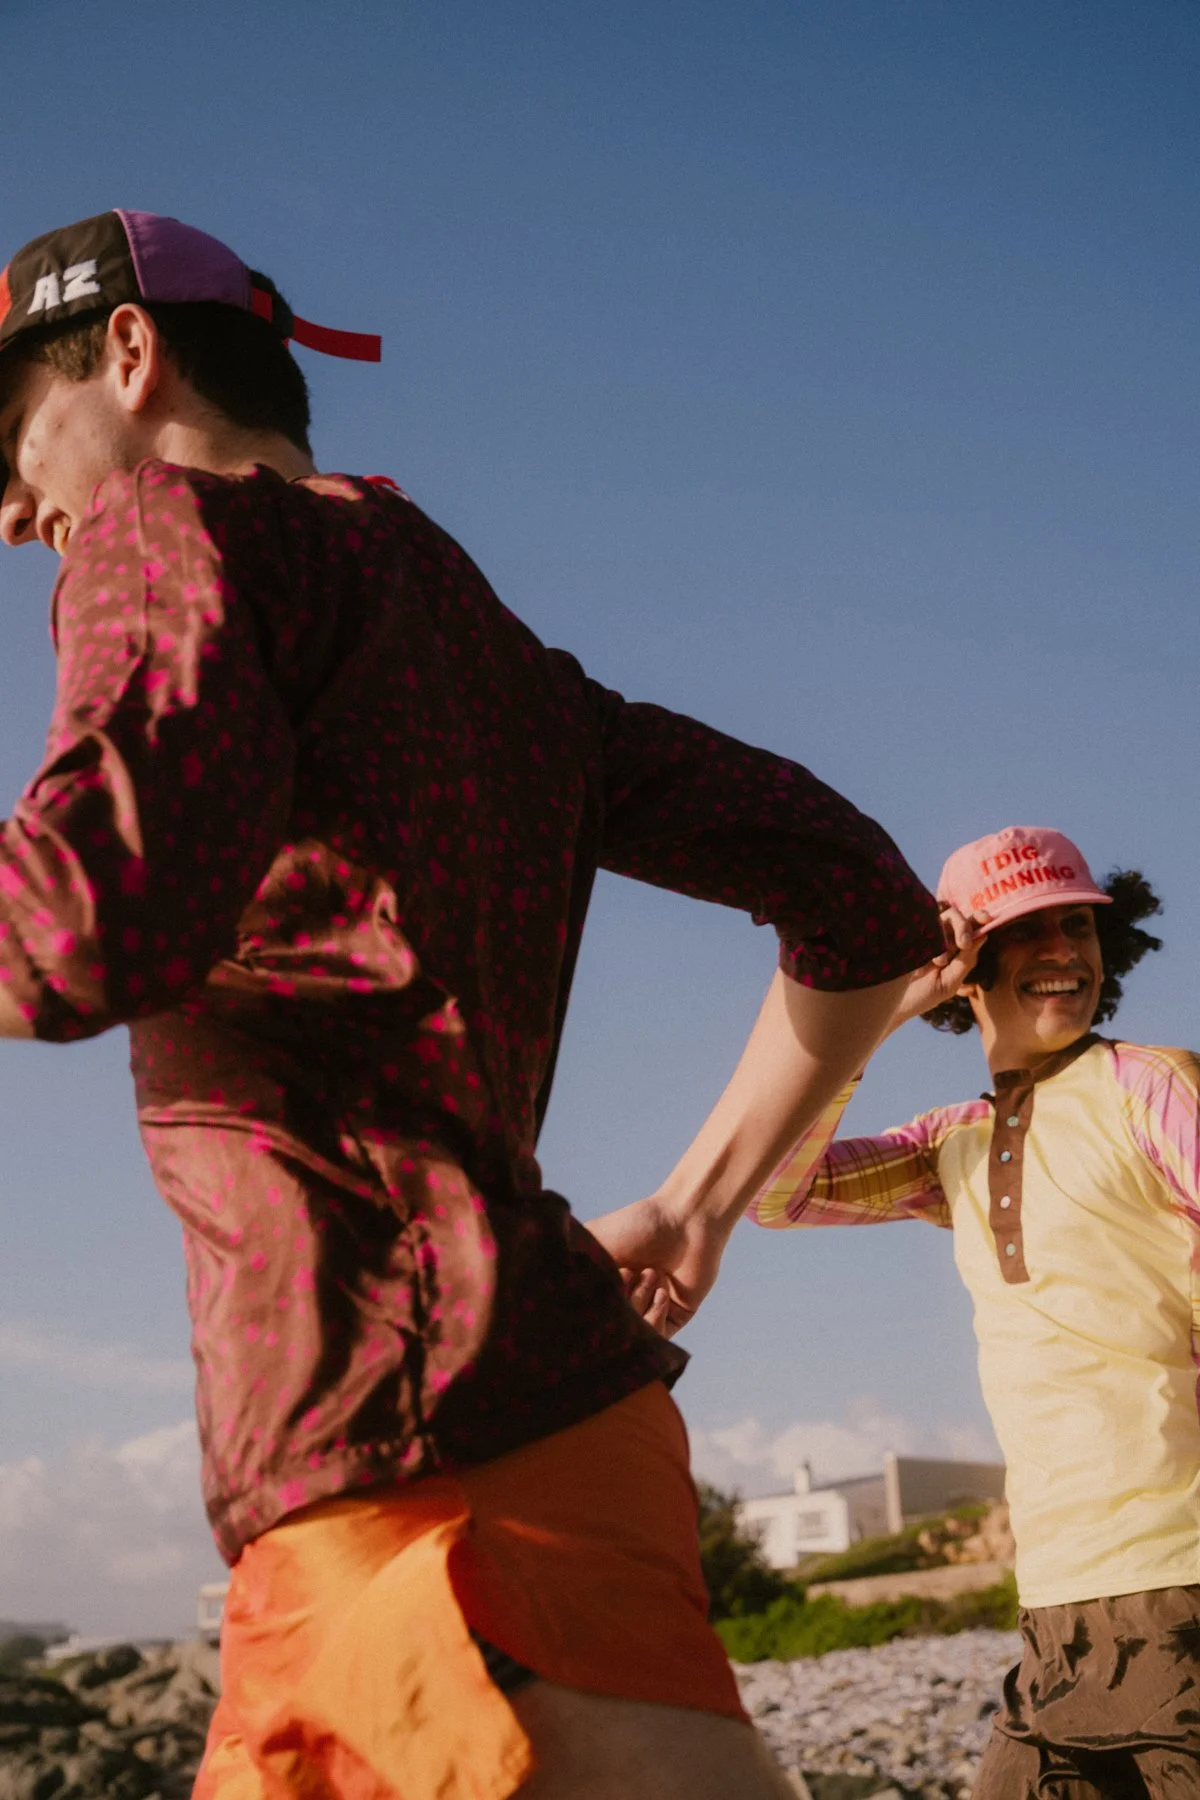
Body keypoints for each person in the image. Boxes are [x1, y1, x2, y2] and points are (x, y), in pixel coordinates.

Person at [0, 209, 944, 1800]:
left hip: (397, 1455)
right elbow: (859, 894)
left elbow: (77, 924)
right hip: (565, 1428)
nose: (17, 509)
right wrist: (700, 1207)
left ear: (131, 352)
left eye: (12, 444)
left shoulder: (170, 528)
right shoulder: (491, 647)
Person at [613, 823, 1200, 1798]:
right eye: (1026, 931)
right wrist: (882, 1006)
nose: (1063, 951)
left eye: (1080, 927)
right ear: (965, 963)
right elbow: (781, 1193)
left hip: (1181, 1578)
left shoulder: (1151, 1087)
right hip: (1058, 1602)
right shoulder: (950, 1145)